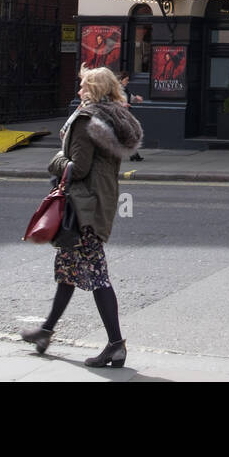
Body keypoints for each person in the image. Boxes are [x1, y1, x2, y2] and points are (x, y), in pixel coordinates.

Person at [21, 66, 143, 367]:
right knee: (68, 271)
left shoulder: (86, 120)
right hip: (98, 202)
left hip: (82, 208)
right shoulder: (113, 117)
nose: (78, 91)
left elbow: (79, 166)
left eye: (83, 86)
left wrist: (55, 160)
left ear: (94, 90)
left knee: (97, 275)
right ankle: (46, 331)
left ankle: (116, 345)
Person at [118, 71, 144, 162]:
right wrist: (122, 105)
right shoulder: (116, 91)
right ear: (120, 80)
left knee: (129, 135)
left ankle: (134, 154)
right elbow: (112, 101)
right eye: (126, 80)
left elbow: (130, 98)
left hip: (125, 116)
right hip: (119, 116)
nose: (127, 82)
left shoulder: (125, 90)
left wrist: (137, 99)